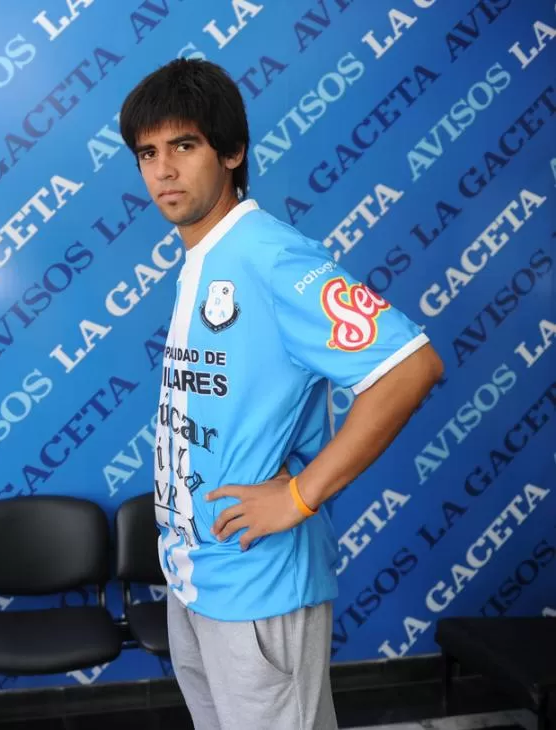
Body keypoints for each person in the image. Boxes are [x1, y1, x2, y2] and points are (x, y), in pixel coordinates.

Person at [119, 59, 444, 730]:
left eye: (184, 146)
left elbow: (410, 368)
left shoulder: (269, 254)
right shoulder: (203, 257)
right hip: (196, 575)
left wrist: (299, 495)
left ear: (232, 151)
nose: (163, 171)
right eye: (147, 153)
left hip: (260, 586)